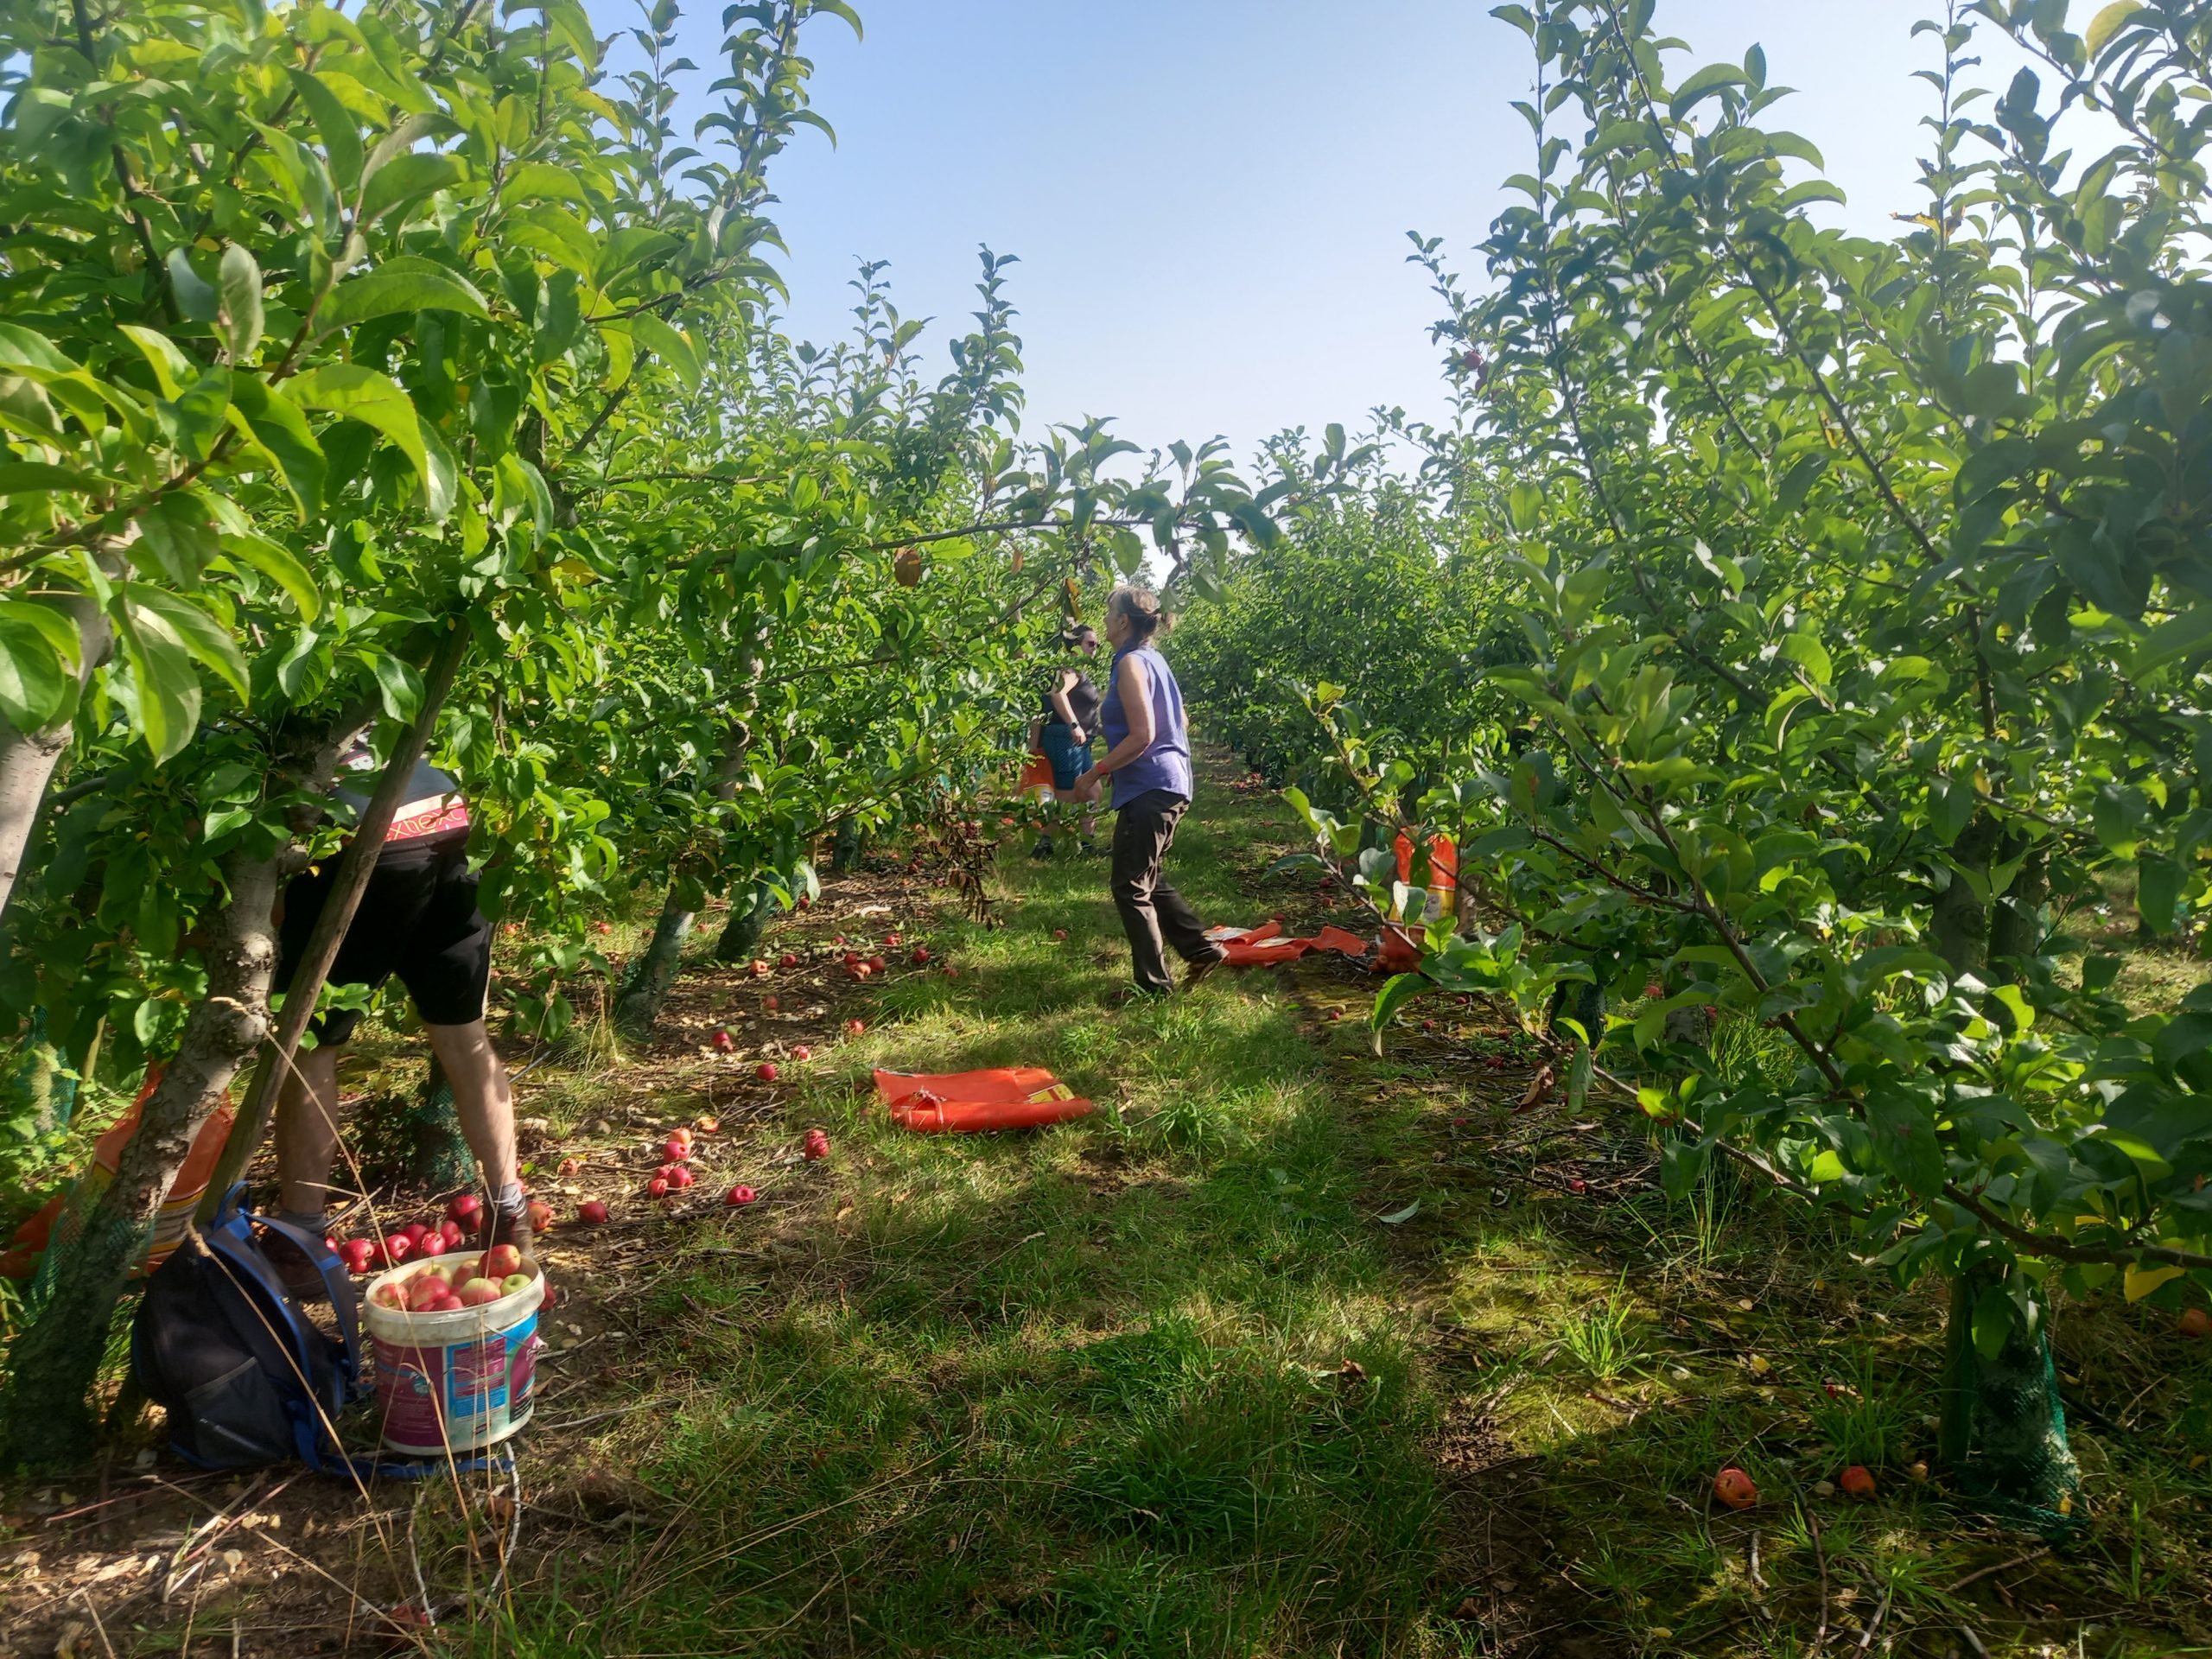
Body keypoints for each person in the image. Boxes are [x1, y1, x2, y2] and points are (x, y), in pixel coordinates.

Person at [268, 740, 529, 1287]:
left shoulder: (252, 725)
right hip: (448, 822)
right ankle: (510, 1214)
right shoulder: (362, 701)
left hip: (359, 842)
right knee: (465, 1037)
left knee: (312, 1046)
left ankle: (301, 1238)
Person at [1065, 588, 1229, 997]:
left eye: (1108, 612)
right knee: (1147, 879)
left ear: (1123, 621)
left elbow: (1144, 734)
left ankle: (1154, 988)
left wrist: (1095, 772)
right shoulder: (1151, 659)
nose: (1103, 619)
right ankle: (1201, 950)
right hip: (1167, 782)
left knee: (1129, 885)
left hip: (1152, 786)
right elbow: (1181, 719)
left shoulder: (1132, 664)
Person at [1029, 626, 1103, 859]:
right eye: (1090, 643)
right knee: (1067, 794)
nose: (1095, 649)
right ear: (1075, 646)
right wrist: (1074, 724)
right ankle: (1044, 844)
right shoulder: (1070, 669)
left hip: (1078, 741)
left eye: (1097, 645)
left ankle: (1087, 845)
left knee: (1092, 790)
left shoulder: (1078, 669)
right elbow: (1057, 695)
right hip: (1065, 738)